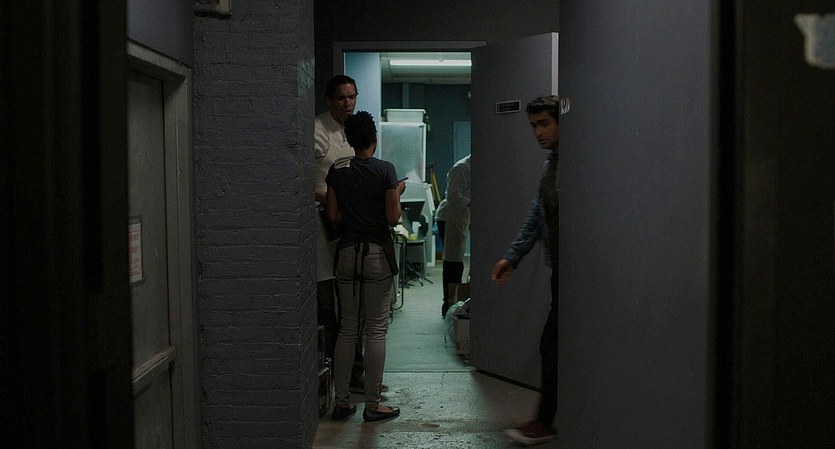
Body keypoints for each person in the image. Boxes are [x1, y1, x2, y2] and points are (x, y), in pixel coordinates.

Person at [491, 96, 562, 446]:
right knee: (553, 345)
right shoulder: (550, 166)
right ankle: (547, 418)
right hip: (562, 271)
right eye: (534, 126)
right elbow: (537, 216)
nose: (538, 132)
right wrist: (512, 257)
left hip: (585, 275)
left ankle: (546, 420)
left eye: (544, 124)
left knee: (552, 345)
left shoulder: (579, 164)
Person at [326, 111, 405, 422]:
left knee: (348, 328)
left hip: (346, 253)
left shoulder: (337, 170)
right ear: (374, 138)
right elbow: (393, 217)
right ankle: (373, 404)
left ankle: (342, 402)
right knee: (375, 329)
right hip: (376, 255)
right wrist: (396, 193)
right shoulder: (385, 170)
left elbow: (333, 216)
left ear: (348, 139)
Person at [314, 75, 368, 392]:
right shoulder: (318, 130)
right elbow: (299, 176)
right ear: (329, 100)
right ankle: (331, 376)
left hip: (349, 224)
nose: (348, 103)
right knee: (326, 305)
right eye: (341, 98)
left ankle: (356, 374)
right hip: (322, 225)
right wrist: (330, 199)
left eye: (352, 97)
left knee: (352, 303)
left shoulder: (355, 131)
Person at [434, 154, 471, 318]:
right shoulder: (461, 168)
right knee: (453, 263)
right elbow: (453, 195)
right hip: (451, 218)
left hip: (459, 218)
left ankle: (452, 302)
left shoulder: (469, 168)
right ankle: (449, 304)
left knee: (456, 262)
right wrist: (472, 202)